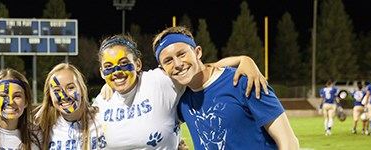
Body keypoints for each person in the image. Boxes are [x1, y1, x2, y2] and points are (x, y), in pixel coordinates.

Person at [92, 33, 267, 149]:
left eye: (124, 63)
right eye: (108, 67)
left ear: (138, 64)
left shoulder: (159, 81)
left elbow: (202, 70)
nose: (117, 71)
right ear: (101, 72)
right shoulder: (101, 101)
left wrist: (243, 60)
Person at [151, 26, 298, 149]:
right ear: (163, 69)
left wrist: (245, 59)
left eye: (182, 54)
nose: (177, 64)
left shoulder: (243, 82)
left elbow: (289, 142)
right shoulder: (180, 99)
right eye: (168, 61)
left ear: (198, 52)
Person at [35, 63, 104, 150]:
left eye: (70, 88)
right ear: (50, 96)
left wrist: (109, 87)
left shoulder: (101, 117)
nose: (64, 96)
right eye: (57, 90)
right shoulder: (42, 128)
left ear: (82, 90)